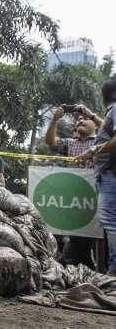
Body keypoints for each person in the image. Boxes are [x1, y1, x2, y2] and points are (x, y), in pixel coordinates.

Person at [46, 104, 101, 268]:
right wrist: (55, 119)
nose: (80, 121)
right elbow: (50, 142)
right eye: (78, 120)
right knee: (77, 237)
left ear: (95, 125)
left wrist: (90, 114)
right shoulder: (69, 143)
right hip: (75, 200)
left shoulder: (102, 141)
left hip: (97, 196)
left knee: (98, 238)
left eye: (84, 119)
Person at [77, 79, 116, 275]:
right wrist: (91, 115)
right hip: (108, 173)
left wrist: (94, 150)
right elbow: (108, 132)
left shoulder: (115, 109)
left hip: (111, 174)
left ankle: (113, 271)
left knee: (110, 222)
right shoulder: (111, 114)